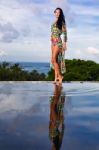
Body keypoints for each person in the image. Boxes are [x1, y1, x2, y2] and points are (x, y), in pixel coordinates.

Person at [50, 7, 68, 85]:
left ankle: (60, 76)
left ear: (60, 14)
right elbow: (52, 32)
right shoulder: (53, 22)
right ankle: (56, 78)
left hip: (58, 42)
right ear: (54, 13)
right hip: (52, 43)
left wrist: (64, 44)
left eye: (59, 12)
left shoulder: (62, 22)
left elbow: (65, 34)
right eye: (56, 12)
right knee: (54, 61)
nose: (57, 13)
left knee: (54, 59)